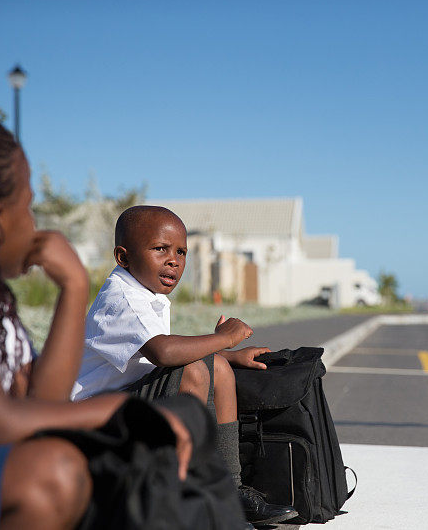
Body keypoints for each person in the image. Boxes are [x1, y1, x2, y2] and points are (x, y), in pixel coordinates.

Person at [0, 107, 198, 529]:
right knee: (51, 474)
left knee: (95, 457)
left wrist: (73, 288)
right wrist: (122, 409)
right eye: (27, 206)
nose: (34, 225)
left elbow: (43, 403)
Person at [72, 205, 298, 526]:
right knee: (193, 370)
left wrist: (228, 357)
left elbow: (157, 355)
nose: (174, 260)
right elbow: (163, 352)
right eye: (160, 249)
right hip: (92, 421)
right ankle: (186, 499)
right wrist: (223, 339)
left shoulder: (144, 293)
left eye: (181, 251)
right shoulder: (122, 298)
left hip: (121, 403)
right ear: (123, 257)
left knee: (218, 368)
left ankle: (229, 490)